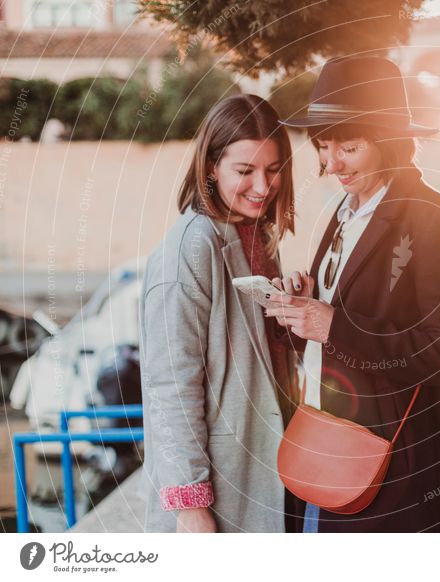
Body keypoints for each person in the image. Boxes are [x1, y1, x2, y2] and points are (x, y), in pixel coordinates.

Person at [270, 56, 440, 532]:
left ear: (387, 139)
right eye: (324, 147)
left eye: (349, 147)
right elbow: (340, 323)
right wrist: (306, 309)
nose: (332, 163)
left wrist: (335, 325)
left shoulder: (435, 222)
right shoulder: (344, 209)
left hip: (395, 471)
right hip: (324, 447)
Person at [139, 94, 305, 533]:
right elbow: (171, 382)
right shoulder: (190, 248)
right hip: (220, 490)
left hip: (268, 468)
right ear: (211, 167)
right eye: (244, 171)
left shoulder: (255, 234)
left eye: (273, 170)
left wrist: (292, 316)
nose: (263, 186)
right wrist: (190, 504)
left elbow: (262, 359)